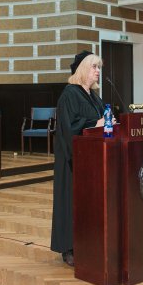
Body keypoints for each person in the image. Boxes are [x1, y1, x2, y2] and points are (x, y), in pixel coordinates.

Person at [51, 50, 105, 267]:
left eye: (99, 68)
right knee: (70, 203)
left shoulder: (93, 96)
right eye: (94, 67)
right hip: (73, 161)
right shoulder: (70, 94)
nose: (98, 71)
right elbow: (69, 127)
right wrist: (94, 125)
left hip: (91, 160)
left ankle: (87, 242)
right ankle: (69, 248)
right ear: (83, 69)